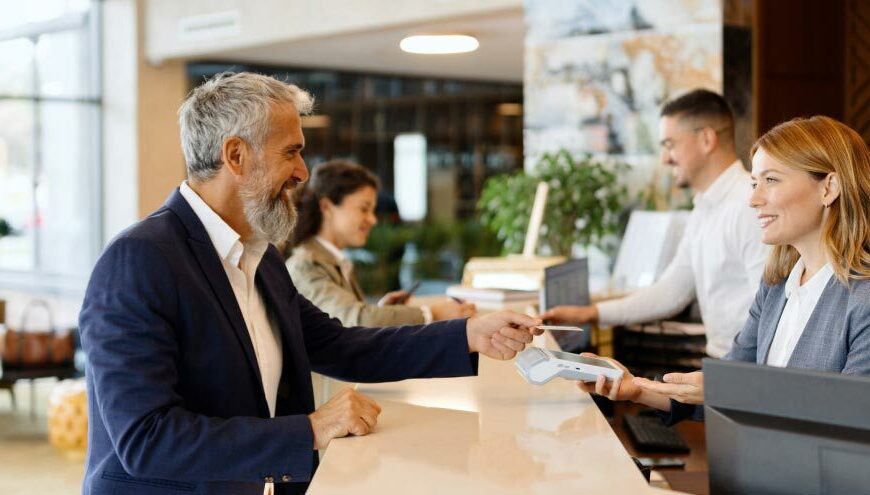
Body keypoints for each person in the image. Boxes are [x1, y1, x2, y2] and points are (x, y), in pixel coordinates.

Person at [78, 72, 542, 495]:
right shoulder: (139, 260)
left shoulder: (260, 255)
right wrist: (312, 429)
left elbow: (342, 345)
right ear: (236, 155)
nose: (302, 173)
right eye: (291, 152)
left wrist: (469, 334)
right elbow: (146, 440)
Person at [579, 116, 870, 424]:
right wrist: (634, 388)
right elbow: (724, 390)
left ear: (829, 188)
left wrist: (731, 391)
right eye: (754, 183)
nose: (754, 200)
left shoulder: (862, 299)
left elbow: (852, 417)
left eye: (771, 180)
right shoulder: (776, 287)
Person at [542, 89, 769, 358]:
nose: (664, 158)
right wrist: (591, 314)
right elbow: (672, 291)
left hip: (741, 371)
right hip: (721, 368)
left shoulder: (749, 205)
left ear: (707, 139)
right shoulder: (705, 207)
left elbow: (767, 313)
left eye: (670, 144)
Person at [285, 159, 474, 326]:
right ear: (327, 207)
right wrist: (432, 313)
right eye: (364, 209)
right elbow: (358, 320)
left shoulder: (333, 260)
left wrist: (383, 311)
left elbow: (344, 321)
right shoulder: (305, 265)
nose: (373, 220)